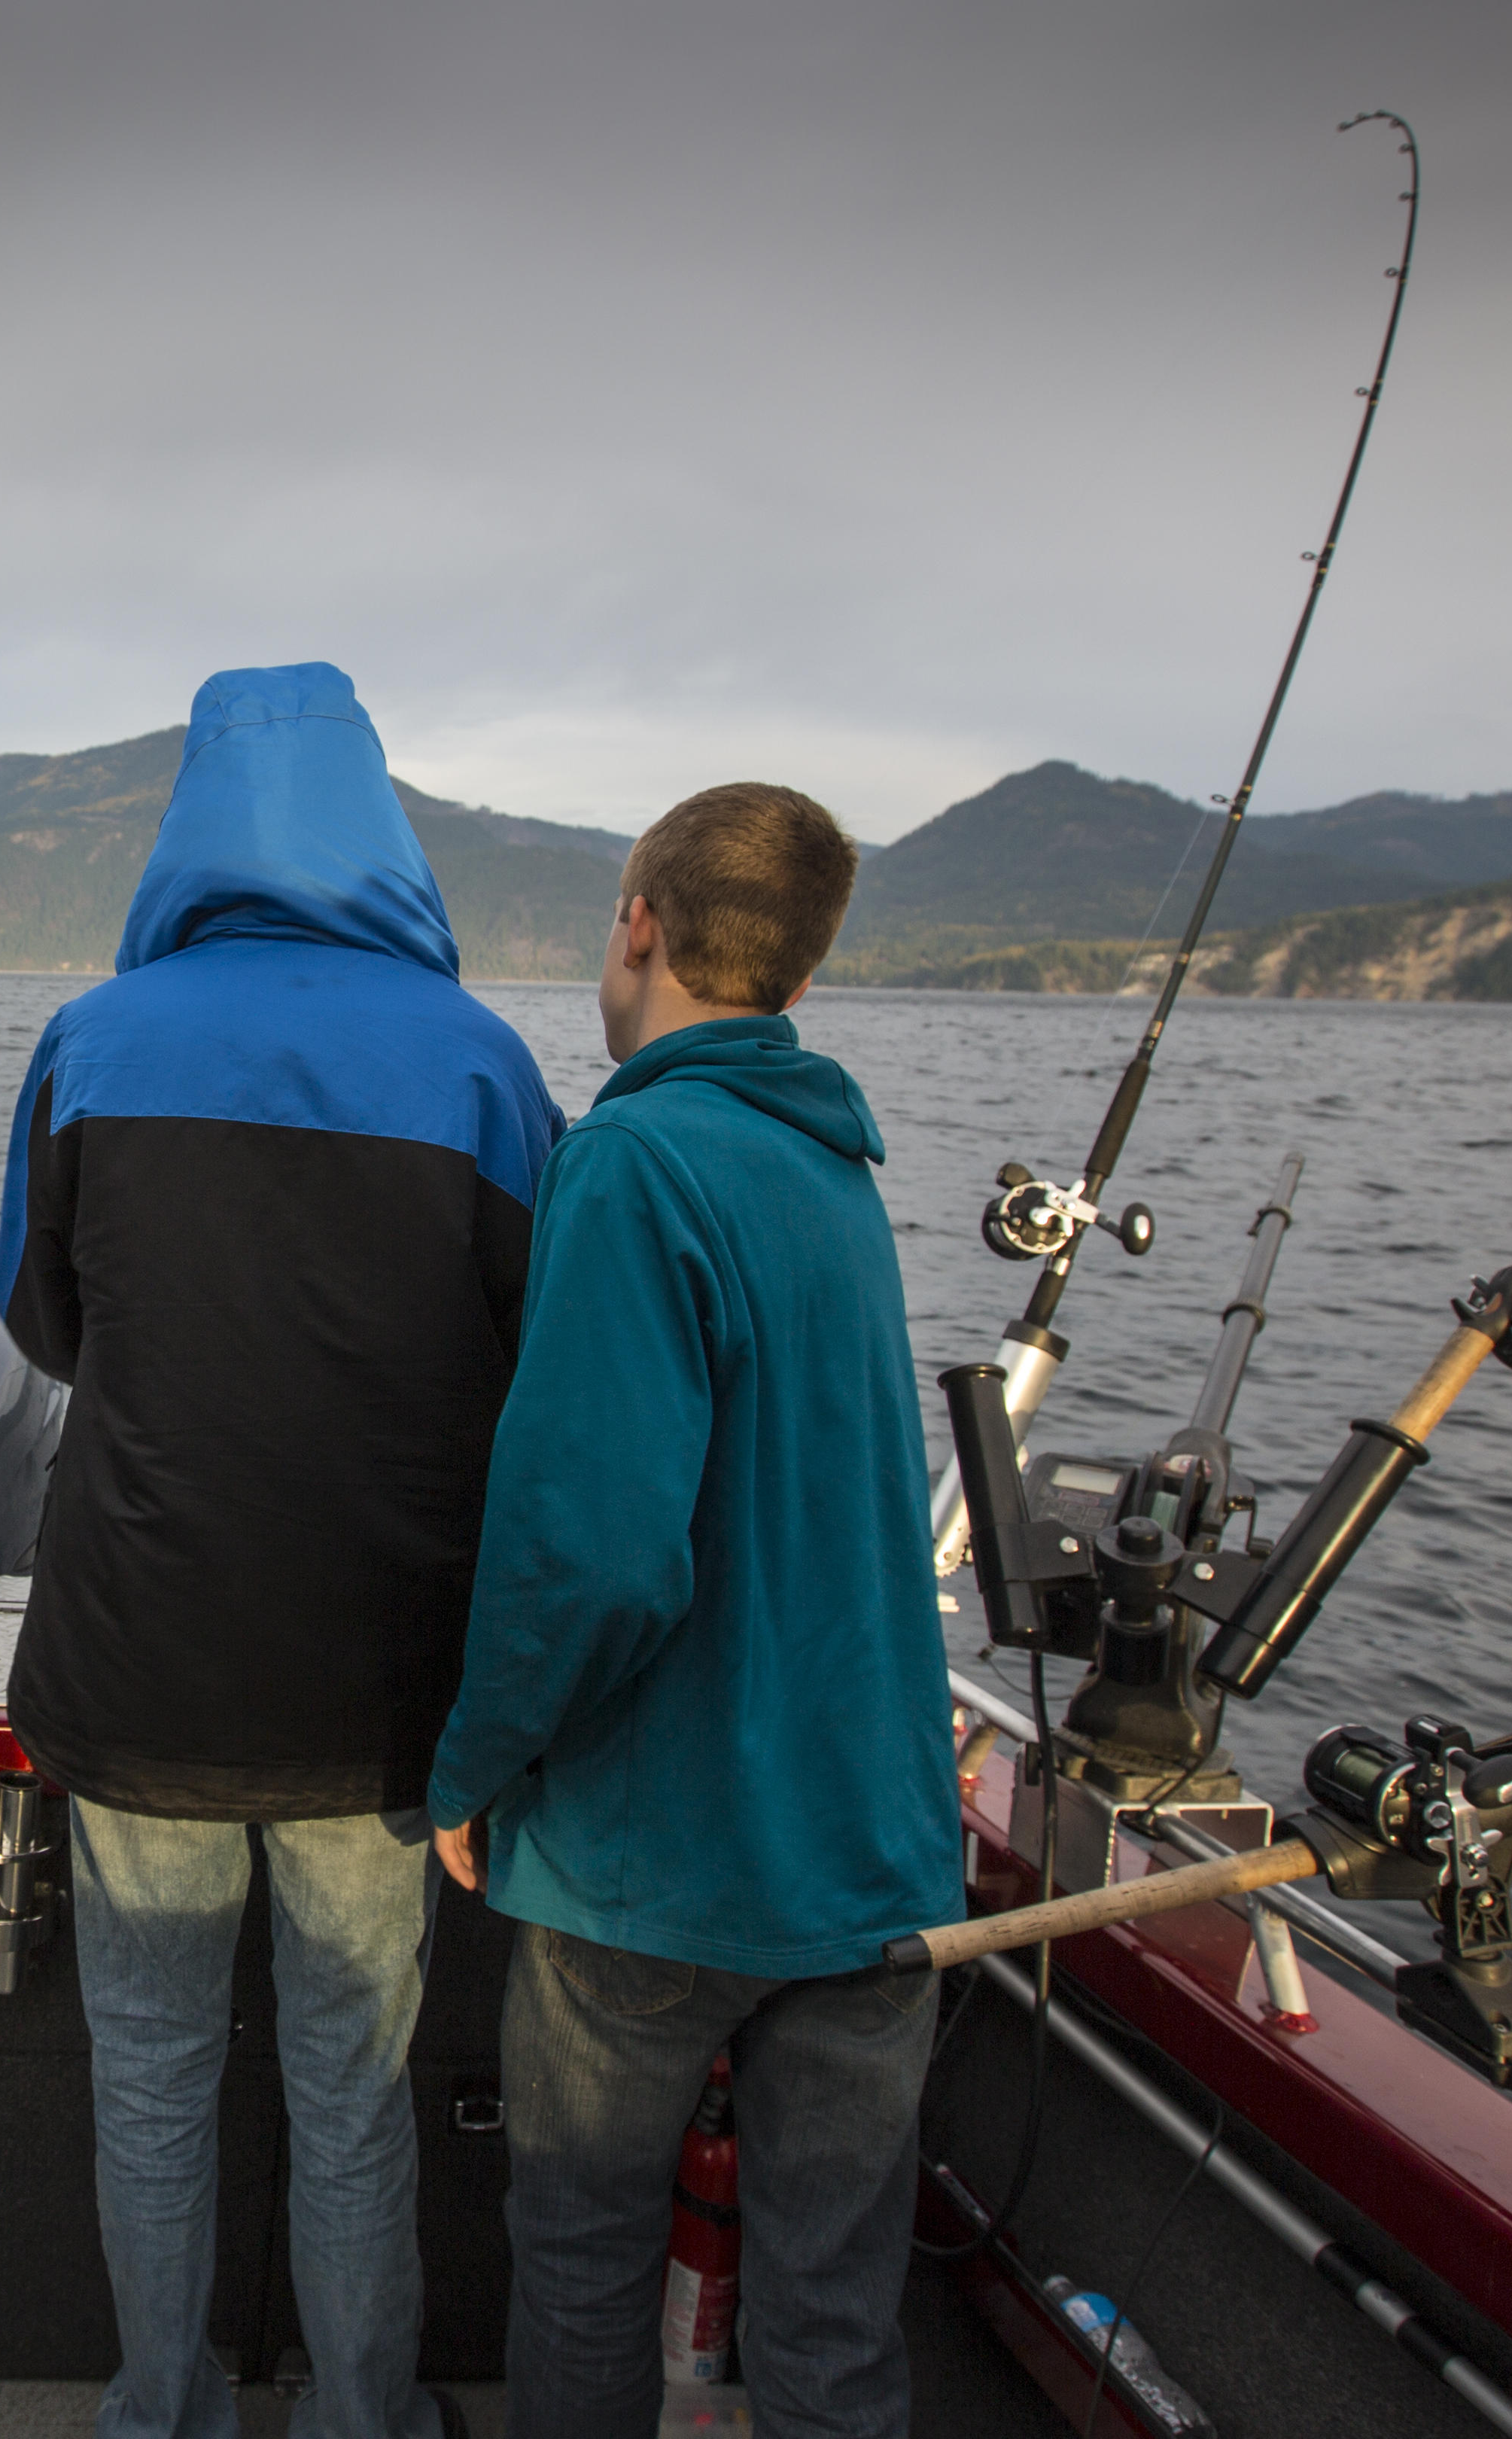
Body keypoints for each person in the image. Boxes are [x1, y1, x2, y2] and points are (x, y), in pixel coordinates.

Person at [0, 662, 560, 2439]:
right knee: (353, 2091)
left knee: (151, 2081)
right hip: (379, 1700)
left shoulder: (94, 1038)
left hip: (140, 1666)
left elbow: (43, 1321)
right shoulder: (482, 1060)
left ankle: (158, 2410)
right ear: (380, 821)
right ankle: (364, 2421)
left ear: (189, 825)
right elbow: (536, 1359)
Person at [421, 782, 960, 2439]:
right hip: (872, 1858)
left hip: (660, 1868)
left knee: (584, 2260)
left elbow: (592, 1553)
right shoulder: (834, 1171)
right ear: (802, 973)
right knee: (833, 2312)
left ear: (640, 922)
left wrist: (479, 1768)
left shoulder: (636, 1160)